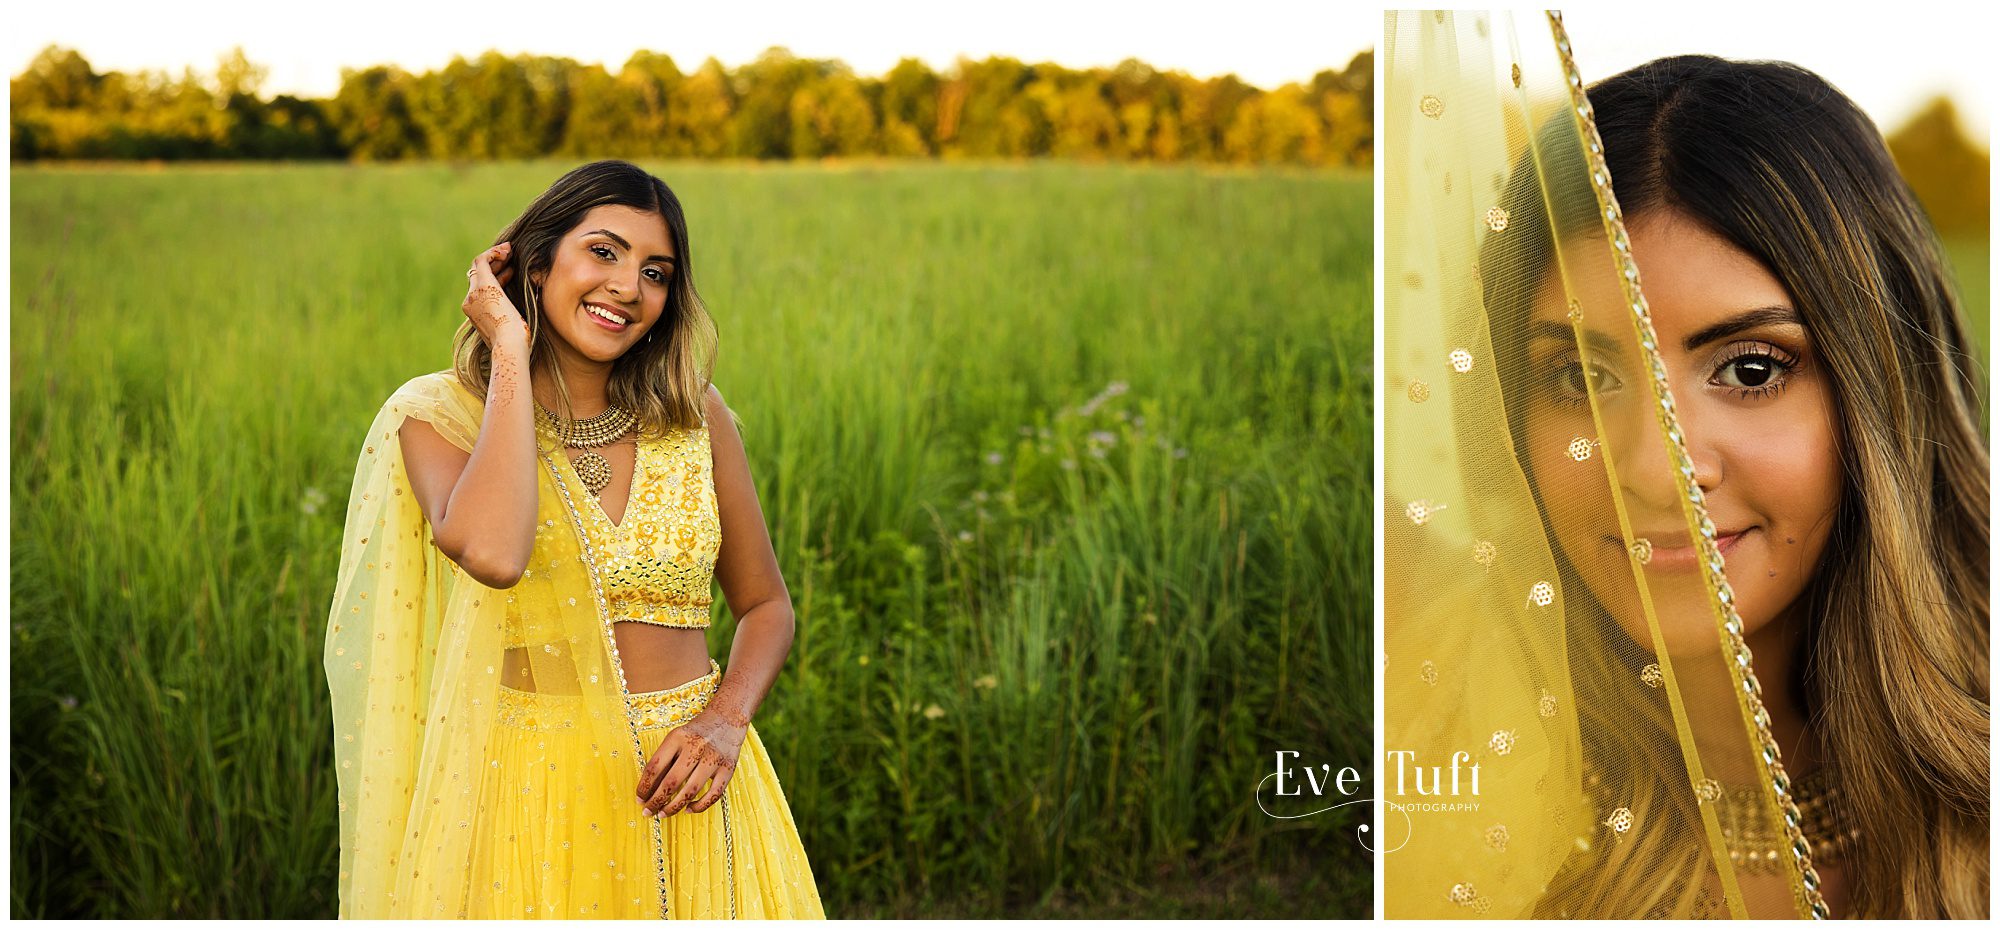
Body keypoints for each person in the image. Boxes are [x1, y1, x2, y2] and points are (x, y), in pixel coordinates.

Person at [1383, 12, 1987, 920]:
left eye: (1750, 370)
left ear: (1880, 395)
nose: (1654, 474)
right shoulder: (1451, 715)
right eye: (1580, 375)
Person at [324, 159, 826, 919]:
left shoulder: (695, 417)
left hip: (693, 780)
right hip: (530, 789)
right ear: (535, 261)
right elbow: (494, 554)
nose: (629, 286)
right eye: (604, 251)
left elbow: (767, 606)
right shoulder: (435, 416)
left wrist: (723, 724)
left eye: (656, 271)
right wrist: (509, 352)